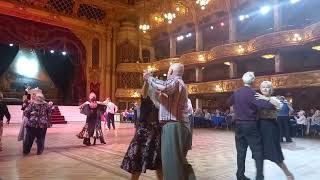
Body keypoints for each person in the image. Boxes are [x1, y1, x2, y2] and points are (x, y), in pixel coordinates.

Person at [143, 63, 195, 180]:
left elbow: (165, 86)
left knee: (171, 164)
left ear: (171, 71)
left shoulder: (176, 82)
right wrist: (151, 86)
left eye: (168, 71)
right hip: (175, 125)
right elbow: (160, 100)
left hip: (174, 126)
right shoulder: (177, 85)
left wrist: (149, 78)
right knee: (179, 162)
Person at [228, 72, 276, 180]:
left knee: (241, 152)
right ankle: (259, 177)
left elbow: (228, 102)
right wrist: (270, 102)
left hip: (238, 125)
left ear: (243, 80)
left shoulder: (237, 92)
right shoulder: (252, 93)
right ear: (253, 81)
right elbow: (267, 106)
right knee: (257, 151)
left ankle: (240, 175)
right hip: (250, 125)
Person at [121, 83, 162, 180]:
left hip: (155, 134)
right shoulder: (146, 99)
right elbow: (144, 90)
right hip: (143, 134)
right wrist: (147, 80)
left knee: (158, 163)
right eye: (157, 89)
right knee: (137, 160)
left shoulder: (160, 104)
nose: (159, 91)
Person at [256, 81, 294, 180]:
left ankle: (288, 174)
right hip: (260, 128)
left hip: (271, 128)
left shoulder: (274, 99)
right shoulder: (258, 99)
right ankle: (259, 176)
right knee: (259, 154)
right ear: (260, 89)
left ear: (271, 90)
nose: (265, 89)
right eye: (263, 87)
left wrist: (266, 98)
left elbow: (279, 106)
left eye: (267, 87)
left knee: (274, 153)